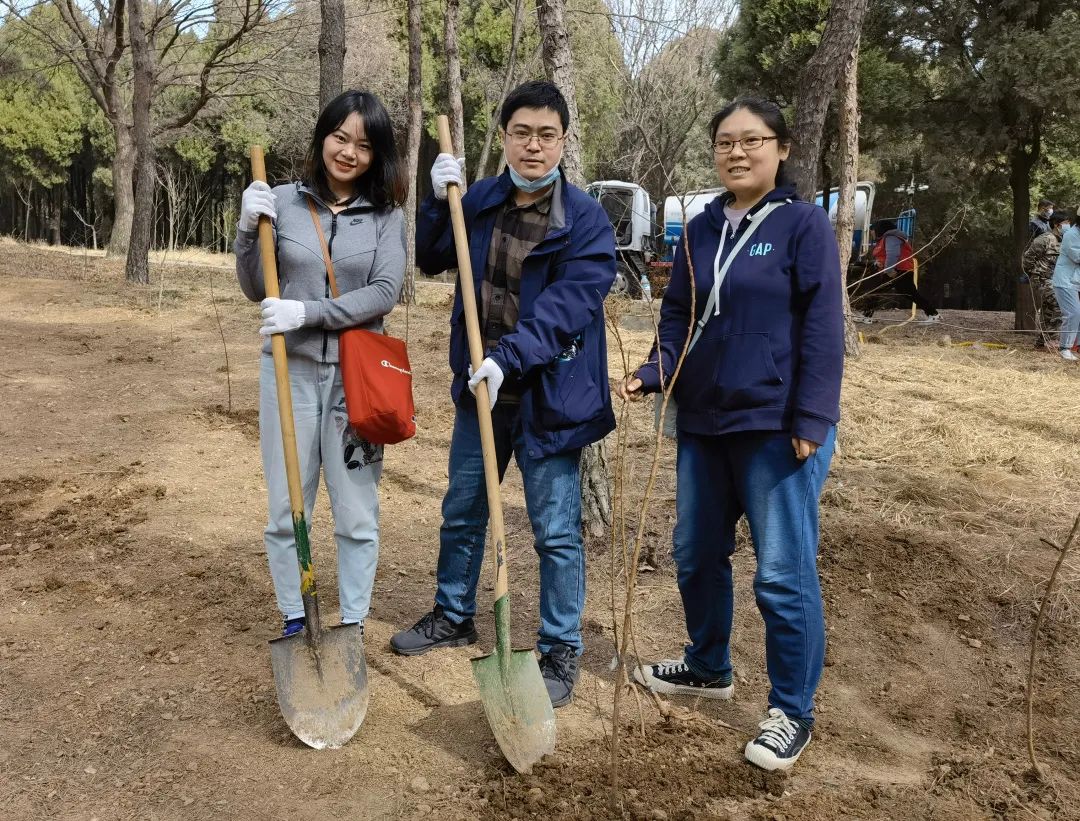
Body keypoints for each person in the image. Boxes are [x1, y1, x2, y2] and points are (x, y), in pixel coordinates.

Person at [617, 97, 843, 772]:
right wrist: (656, 370)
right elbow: (680, 313)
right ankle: (709, 664)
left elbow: (823, 325)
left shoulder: (803, 226)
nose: (737, 152)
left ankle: (791, 710)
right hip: (705, 420)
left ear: (782, 148)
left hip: (776, 426)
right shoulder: (700, 226)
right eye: (725, 142)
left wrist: (811, 417)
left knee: (780, 573)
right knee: (694, 552)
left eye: (752, 140)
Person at [390, 81, 617, 709]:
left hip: (550, 398)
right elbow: (433, 255)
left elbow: (571, 306)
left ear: (563, 141)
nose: (534, 146)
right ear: (505, 136)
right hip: (481, 396)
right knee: (463, 510)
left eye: (547, 134)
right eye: (522, 132)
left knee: (554, 530)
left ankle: (560, 645)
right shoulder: (482, 198)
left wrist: (507, 356)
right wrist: (438, 202)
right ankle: (454, 612)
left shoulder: (587, 221)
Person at [234, 90, 407, 637]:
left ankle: (352, 621)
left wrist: (306, 311)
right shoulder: (281, 202)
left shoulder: (386, 215)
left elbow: (383, 292)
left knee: (357, 513)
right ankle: (294, 614)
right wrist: (245, 230)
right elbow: (256, 288)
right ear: (322, 137)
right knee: (287, 507)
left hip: (359, 385)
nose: (349, 152)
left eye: (363, 144)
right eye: (339, 137)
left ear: (377, 155)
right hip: (288, 374)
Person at [859, 218, 941, 324]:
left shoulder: (891, 237)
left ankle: (866, 316)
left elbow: (893, 254)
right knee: (909, 293)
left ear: (879, 229)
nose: (871, 233)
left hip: (898, 271)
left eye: (872, 230)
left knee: (877, 291)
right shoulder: (886, 238)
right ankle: (933, 314)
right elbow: (883, 256)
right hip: (897, 270)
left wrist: (889, 270)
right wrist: (877, 264)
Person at [1023, 211, 1071, 350]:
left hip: (1058, 279)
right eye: (1066, 223)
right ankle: (1053, 338)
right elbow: (1027, 258)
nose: (1068, 226)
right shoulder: (1044, 239)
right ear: (1057, 225)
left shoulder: (1065, 240)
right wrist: (1033, 274)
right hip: (1042, 279)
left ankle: (1042, 341)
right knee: (1058, 302)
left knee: (1048, 308)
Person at [1051, 213, 1080, 361]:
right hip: (1065, 281)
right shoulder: (1071, 235)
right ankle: (1065, 348)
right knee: (1073, 313)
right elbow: (1077, 256)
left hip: (1075, 281)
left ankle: (1077, 346)